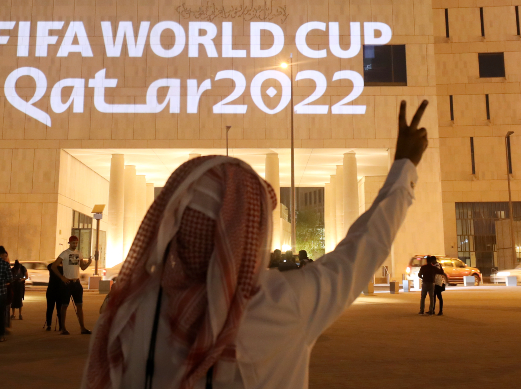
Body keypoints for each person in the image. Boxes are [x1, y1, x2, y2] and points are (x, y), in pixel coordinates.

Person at [82, 99, 430, 389]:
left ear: (173, 226)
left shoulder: (130, 314)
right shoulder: (283, 306)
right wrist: (404, 166)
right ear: (251, 232)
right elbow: (364, 247)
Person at [50, 236, 93, 335]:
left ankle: (82, 328)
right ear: (69, 243)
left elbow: (82, 267)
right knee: (64, 306)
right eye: (73, 243)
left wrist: (89, 263)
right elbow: (53, 266)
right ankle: (63, 328)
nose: (75, 244)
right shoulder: (65, 253)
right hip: (67, 283)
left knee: (80, 306)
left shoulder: (79, 253)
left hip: (76, 283)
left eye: (76, 243)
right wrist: (62, 277)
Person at [44, 256, 65, 332]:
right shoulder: (63, 269)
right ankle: (60, 325)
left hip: (51, 290)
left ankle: (49, 325)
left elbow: (49, 265)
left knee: (50, 308)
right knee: (59, 309)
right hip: (59, 291)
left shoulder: (52, 267)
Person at [8, 259, 27, 323]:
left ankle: (20, 314)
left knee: (19, 300)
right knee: (13, 300)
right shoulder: (12, 269)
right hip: (14, 286)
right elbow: (10, 278)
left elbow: (26, 276)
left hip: (20, 286)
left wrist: (21, 280)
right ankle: (13, 314)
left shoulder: (22, 268)